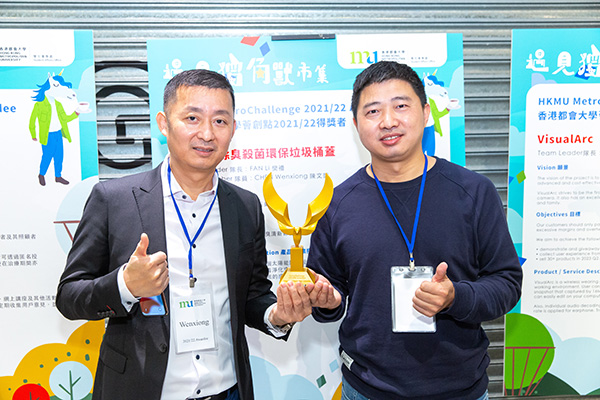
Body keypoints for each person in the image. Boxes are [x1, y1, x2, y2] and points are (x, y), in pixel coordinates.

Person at [56, 69, 312, 400]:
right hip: (140, 390)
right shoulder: (113, 200)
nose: (206, 133)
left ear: (233, 129)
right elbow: (69, 296)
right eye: (192, 117)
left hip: (227, 392)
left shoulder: (245, 207)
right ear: (163, 124)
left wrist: (275, 315)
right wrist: (125, 286)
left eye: (220, 121)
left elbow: (252, 295)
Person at [306, 61, 522, 400]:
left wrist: (455, 297)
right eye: (373, 110)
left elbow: (507, 284)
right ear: (356, 124)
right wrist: (328, 301)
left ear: (425, 113)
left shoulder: (473, 191)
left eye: (401, 106)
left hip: (460, 388)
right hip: (367, 389)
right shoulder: (338, 203)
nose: (388, 121)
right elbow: (327, 293)